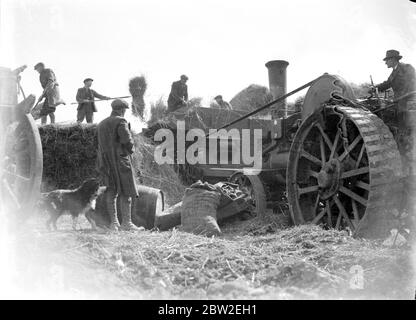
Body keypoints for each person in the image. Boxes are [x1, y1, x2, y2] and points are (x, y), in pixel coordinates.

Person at [96, 99, 142, 232]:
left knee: (111, 191)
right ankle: (127, 224)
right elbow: (126, 140)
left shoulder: (101, 124)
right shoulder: (121, 121)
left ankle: (114, 224)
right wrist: (131, 149)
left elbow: (97, 144)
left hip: (105, 162)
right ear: (122, 110)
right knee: (126, 191)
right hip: (120, 161)